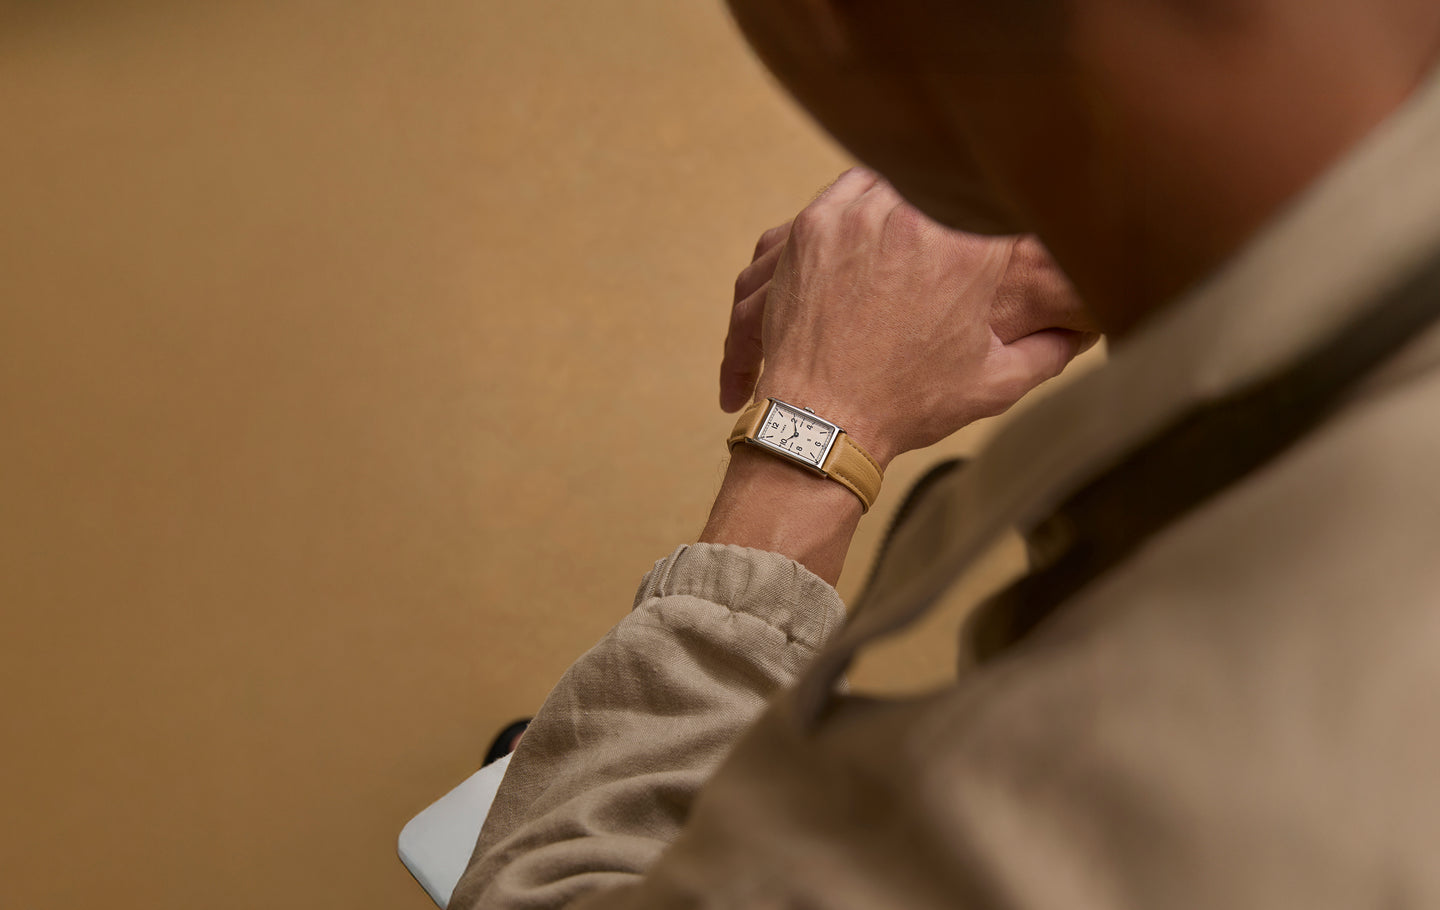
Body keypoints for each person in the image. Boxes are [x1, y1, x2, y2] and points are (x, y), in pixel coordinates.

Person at [452, 0, 1440, 906]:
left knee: (550, 774)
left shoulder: (1089, 764)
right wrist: (1152, 244)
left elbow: (548, 885)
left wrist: (813, 426)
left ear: (819, 27)